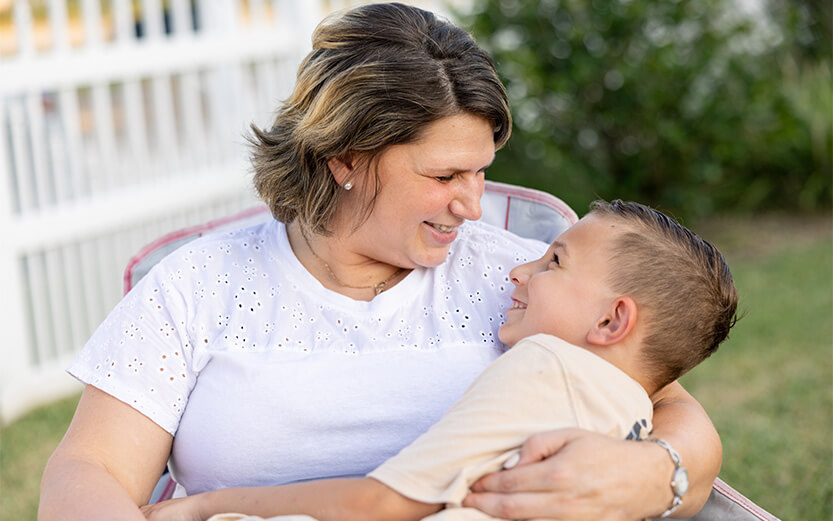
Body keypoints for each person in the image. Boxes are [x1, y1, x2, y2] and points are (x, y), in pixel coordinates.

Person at [39, 4, 723, 521]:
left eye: (482, 171)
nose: (472, 206)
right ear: (344, 157)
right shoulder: (198, 285)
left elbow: (666, 402)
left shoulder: (523, 280)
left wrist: (654, 473)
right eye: (444, 176)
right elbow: (90, 467)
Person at [138, 200, 739, 521]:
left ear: (611, 322)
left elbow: (382, 503)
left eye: (553, 261)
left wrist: (207, 506)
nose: (519, 269)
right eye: (444, 173)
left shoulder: (544, 367)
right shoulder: (629, 407)